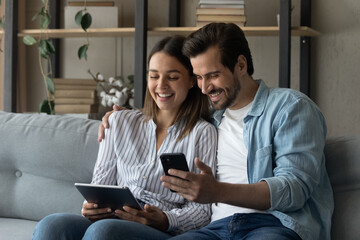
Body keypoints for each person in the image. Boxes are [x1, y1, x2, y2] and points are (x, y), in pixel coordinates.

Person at [100, 23, 334, 240]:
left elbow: (295, 189)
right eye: (199, 77)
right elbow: (165, 113)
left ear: (241, 65)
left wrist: (218, 191)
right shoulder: (210, 120)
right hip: (215, 229)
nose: (204, 87)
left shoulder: (290, 108)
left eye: (213, 75)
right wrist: (121, 116)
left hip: (273, 224)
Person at [33, 35, 217, 240]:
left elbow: (202, 211)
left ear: (192, 80)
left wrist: (165, 219)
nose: (161, 85)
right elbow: (100, 185)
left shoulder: (203, 133)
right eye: (154, 76)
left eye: (172, 77)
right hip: (112, 218)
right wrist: (92, 207)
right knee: (51, 226)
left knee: (102, 232)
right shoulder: (119, 121)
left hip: (158, 228)